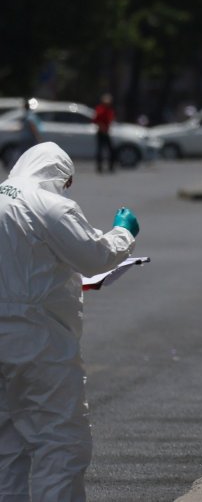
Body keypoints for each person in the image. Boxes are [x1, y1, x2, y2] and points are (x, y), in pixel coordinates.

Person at [0, 142, 140, 501]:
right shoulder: (49, 204)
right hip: (36, 339)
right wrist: (124, 232)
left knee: (6, 447)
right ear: (60, 175)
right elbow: (96, 256)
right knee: (60, 443)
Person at [93, 93, 116, 173]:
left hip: (107, 131)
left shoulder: (109, 110)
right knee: (100, 150)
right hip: (101, 132)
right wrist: (102, 127)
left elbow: (111, 119)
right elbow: (96, 120)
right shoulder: (100, 109)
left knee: (111, 150)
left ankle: (111, 166)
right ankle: (99, 167)